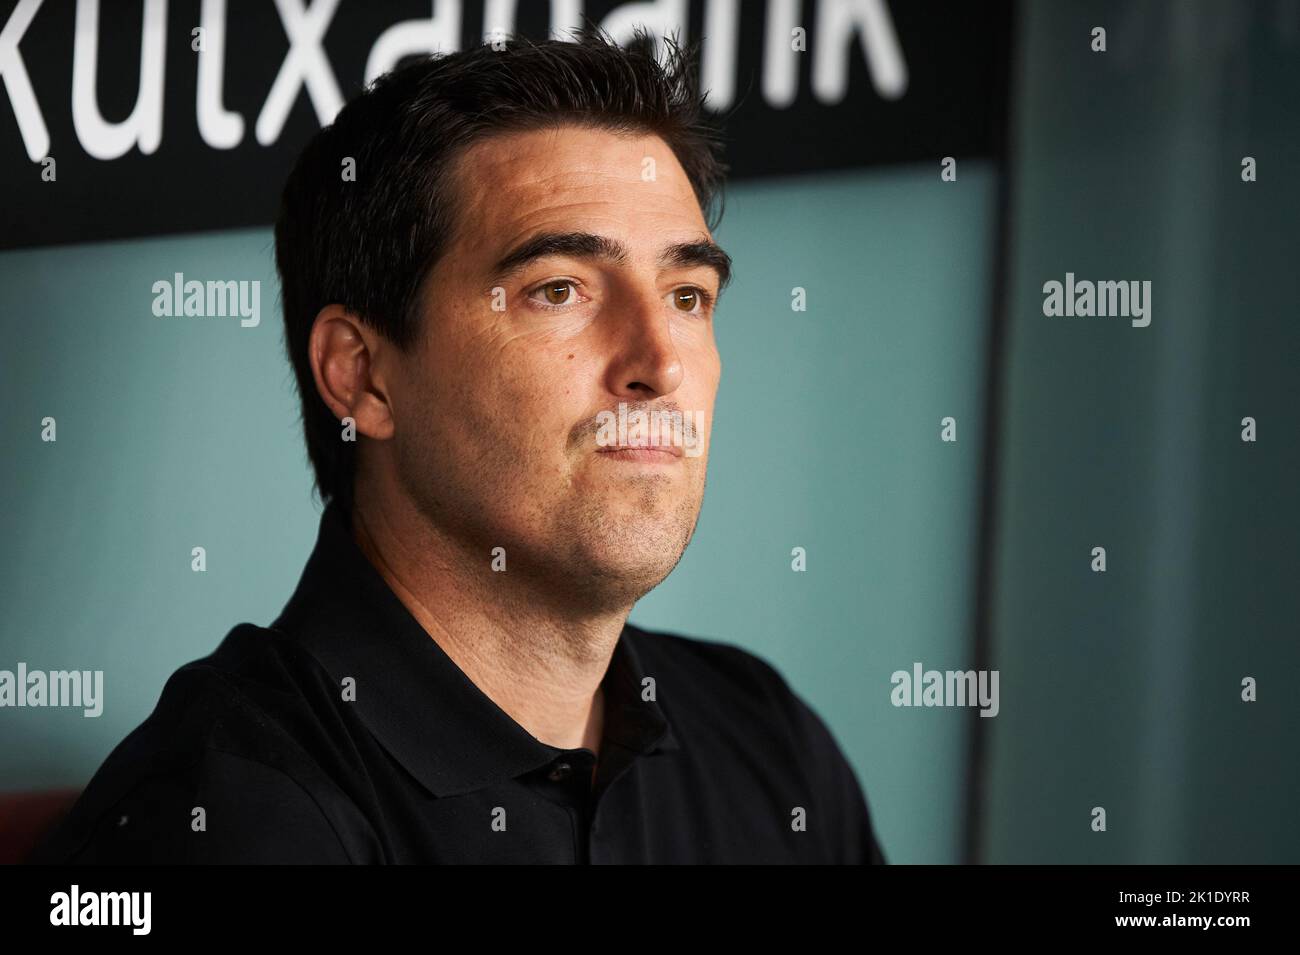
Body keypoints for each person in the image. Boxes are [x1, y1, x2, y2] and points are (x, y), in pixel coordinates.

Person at [29, 28, 886, 864]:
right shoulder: (224, 813)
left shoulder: (768, 742)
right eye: (560, 290)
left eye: (688, 295)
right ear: (362, 377)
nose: (660, 362)